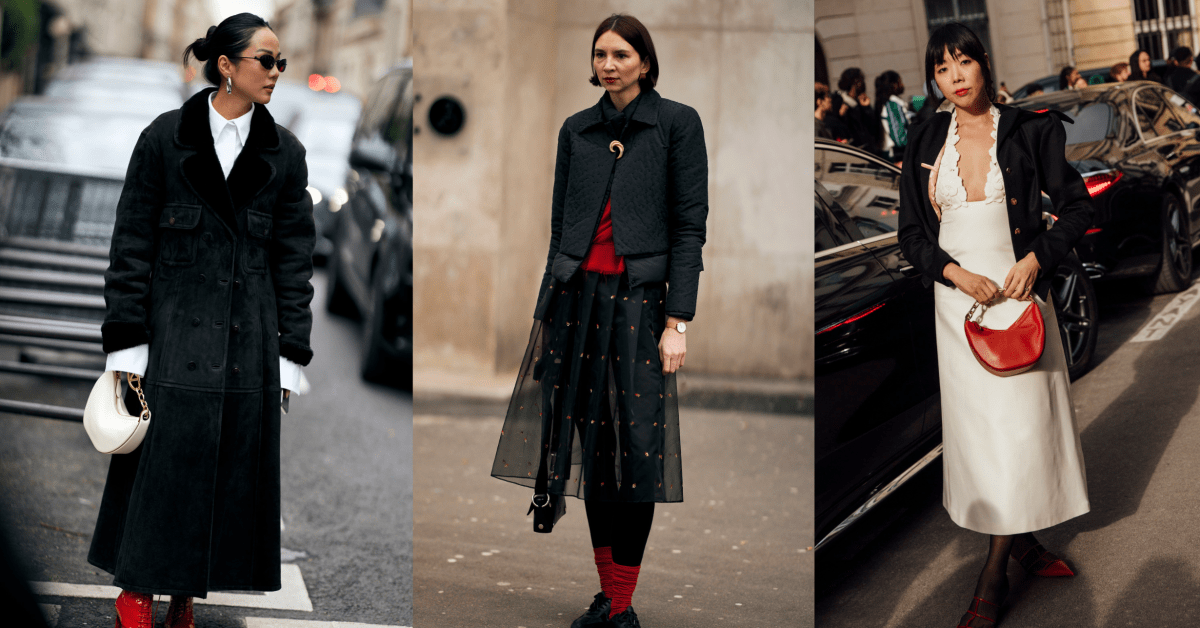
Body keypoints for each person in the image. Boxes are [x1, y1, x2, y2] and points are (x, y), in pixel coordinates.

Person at [90, 13, 315, 628]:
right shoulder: (165, 139)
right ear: (226, 66)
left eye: (280, 63)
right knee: (158, 471)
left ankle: (186, 593)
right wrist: (126, 347)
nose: (276, 73)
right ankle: (135, 590)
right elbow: (130, 246)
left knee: (220, 478)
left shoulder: (285, 153)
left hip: (246, 348)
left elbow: (295, 263)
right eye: (265, 61)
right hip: (169, 341)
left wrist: (291, 356)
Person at [489, 13, 707, 628]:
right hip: (576, 302)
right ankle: (609, 596)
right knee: (590, 449)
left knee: (634, 454)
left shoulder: (676, 124)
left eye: (621, 53)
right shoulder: (576, 130)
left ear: (644, 60)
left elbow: (690, 230)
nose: (609, 64)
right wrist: (545, 315)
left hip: (639, 305)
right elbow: (560, 231)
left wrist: (678, 319)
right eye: (600, 54)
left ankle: (622, 603)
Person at [897, 22, 1091, 627]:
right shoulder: (925, 138)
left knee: (1022, 431)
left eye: (963, 63)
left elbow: (1078, 205)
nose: (954, 78)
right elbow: (910, 234)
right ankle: (1024, 546)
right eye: (942, 69)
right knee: (985, 439)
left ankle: (992, 576)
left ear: (984, 64)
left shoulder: (1031, 130)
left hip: (1018, 297)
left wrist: (1036, 259)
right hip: (960, 307)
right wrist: (954, 274)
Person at [837, 67, 883, 153]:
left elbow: (874, 128)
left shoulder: (861, 103)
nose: (864, 83)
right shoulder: (841, 103)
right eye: (862, 80)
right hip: (856, 153)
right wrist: (842, 116)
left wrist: (867, 108)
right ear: (856, 82)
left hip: (869, 150)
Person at [876, 70, 913, 163]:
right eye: (900, 82)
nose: (903, 85)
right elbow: (899, 138)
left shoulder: (892, 104)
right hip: (897, 157)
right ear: (894, 85)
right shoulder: (893, 105)